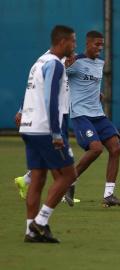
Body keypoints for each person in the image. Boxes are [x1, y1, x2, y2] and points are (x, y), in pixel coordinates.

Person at [19, 25, 77, 243]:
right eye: (73, 41)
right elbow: (50, 99)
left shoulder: (38, 63)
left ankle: (30, 230)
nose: (75, 45)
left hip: (28, 126)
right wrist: (56, 132)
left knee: (38, 178)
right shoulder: (54, 64)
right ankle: (40, 222)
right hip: (44, 129)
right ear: (62, 42)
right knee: (68, 175)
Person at [65, 31, 120, 207]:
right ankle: (69, 182)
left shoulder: (100, 63)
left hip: (98, 115)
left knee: (116, 148)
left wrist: (97, 93)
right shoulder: (75, 62)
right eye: (96, 44)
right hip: (81, 115)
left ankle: (109, 195)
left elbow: (90, 83)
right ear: (87, 44)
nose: (100, 48)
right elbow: (60, 79)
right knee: (96, 149)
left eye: (102, 45)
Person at [14, 56, 81, 205]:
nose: (74, 57)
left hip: (62, 114)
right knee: (61, 157)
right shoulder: (54, 65)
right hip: (54, 117)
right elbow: (34, 90)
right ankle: (63, 194)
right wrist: (21, 110)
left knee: (50, 156)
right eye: (71, 54)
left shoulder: (63, 68)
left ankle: (25, 180)